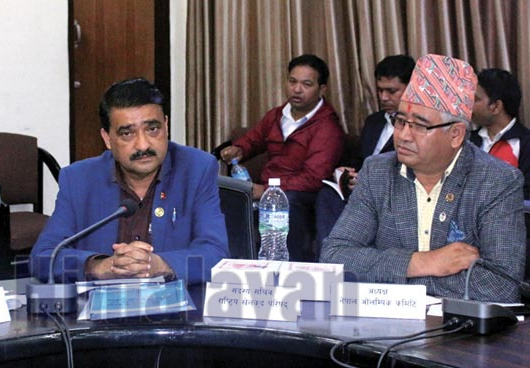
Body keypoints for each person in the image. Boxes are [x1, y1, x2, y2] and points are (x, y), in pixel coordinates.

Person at [321, 54, 525, 302]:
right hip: (386, 328)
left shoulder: (497, 181)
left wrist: (389, 278)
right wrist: (420, 262)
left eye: (419, 125)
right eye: (400, 121)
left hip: (461, 333)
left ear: (456, 134)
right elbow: (335, 258)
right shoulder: (378, 172)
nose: (404, 135)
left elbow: (501, 285)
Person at [30, 78, 229, 284]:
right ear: (107, 138)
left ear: (166, 126)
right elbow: (43, 257)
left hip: (177, 310)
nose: (143, 145)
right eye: (127, 133)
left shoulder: (197, 169)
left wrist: (161, 265)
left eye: (152, 129)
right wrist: (99, 267)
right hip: (98, 310)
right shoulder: (79, 179)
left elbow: (216, 255)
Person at [220, 54, 345, 262]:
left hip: (301, 196)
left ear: (322, 89)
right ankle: (232, 264)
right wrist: (239, 150)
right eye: (292, 81)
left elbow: (313, 178)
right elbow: (254, 139)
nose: (297, 89)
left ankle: (284, 266)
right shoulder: (277, 115)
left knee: (290, 201)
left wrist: (267, 190)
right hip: (267, 189)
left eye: (306, 84)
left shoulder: (327, 128)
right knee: (223, 194)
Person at [315, 55, 415, 243]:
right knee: (327, 196)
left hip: (392, 194)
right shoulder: (373, 122)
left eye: (391, 91)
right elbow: (360, 159)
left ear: (411, 89)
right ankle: (330, 262)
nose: (384, 97)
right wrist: (346, 173)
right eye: (380, 91)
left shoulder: (418, 127)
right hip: (361, 191)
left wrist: (369, 180)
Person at [470, 68, 530, 199]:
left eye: (475, 99)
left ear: (496, 106)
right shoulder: (467, 141)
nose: (468, 105)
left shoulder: (525, 144)